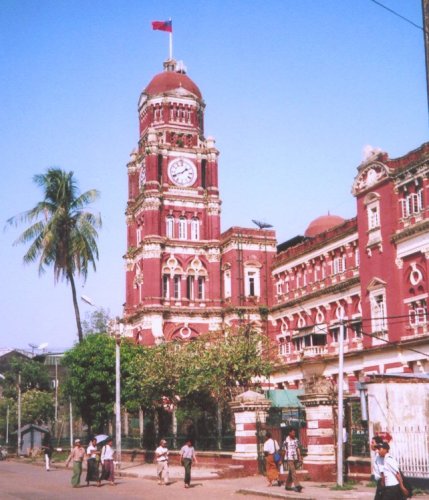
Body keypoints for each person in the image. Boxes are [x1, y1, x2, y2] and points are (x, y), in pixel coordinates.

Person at [283, 427, 303, 493]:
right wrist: (282, 459)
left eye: (294, 433)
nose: (294, 434)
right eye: (293, 433)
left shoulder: (296, 440)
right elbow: (284, 450)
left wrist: (299, 456)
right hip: (289, 458)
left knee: (291, 472)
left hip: (295, 458)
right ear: (290, 433)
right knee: (293, 472)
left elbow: (297, 448)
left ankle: (287, 486)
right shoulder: (286, 441)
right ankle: (297, 485)